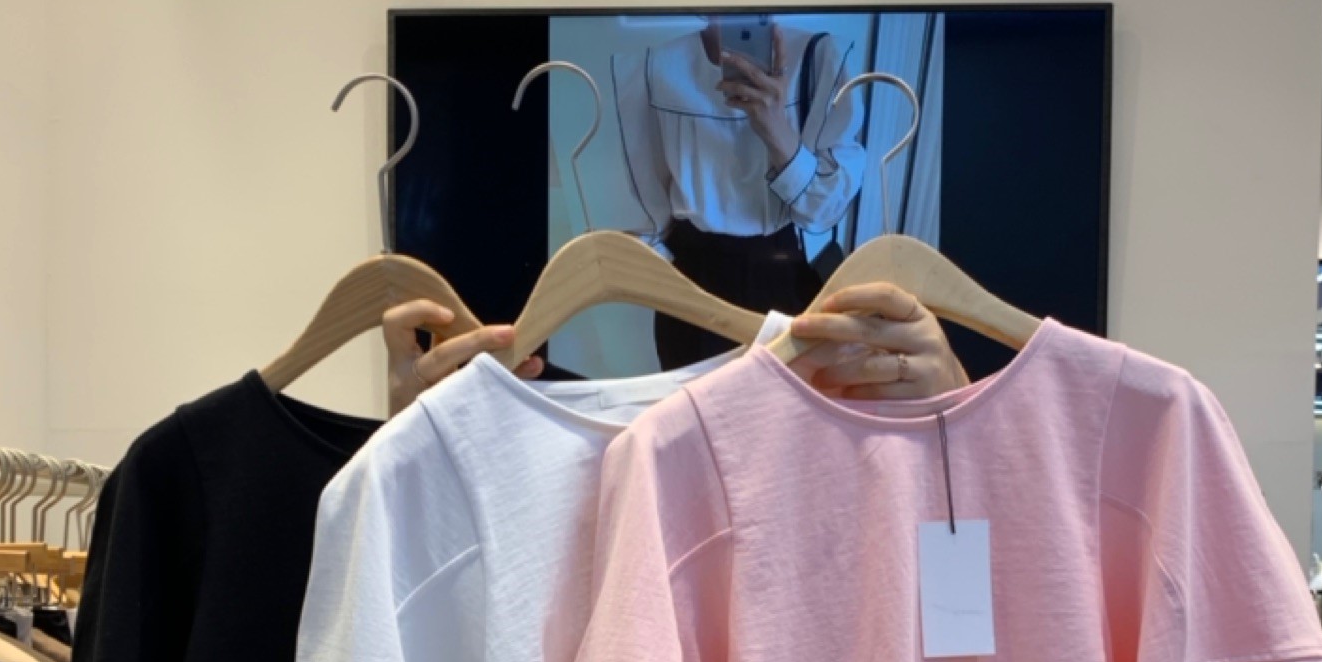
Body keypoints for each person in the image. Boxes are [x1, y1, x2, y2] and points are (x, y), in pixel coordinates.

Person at [611, 19, 869, 367]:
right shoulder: (654, 68)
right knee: (699, 398)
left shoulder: (820, 58)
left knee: (782, 397)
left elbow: (822, 211)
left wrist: (775, 126)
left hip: (784, 271)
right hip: (693, 273)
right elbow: (649, 206)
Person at [380, 279, 964, 413]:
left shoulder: (857, 377)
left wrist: (956, 406)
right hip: (690, 263)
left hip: (781, 276)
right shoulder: (656, 70)